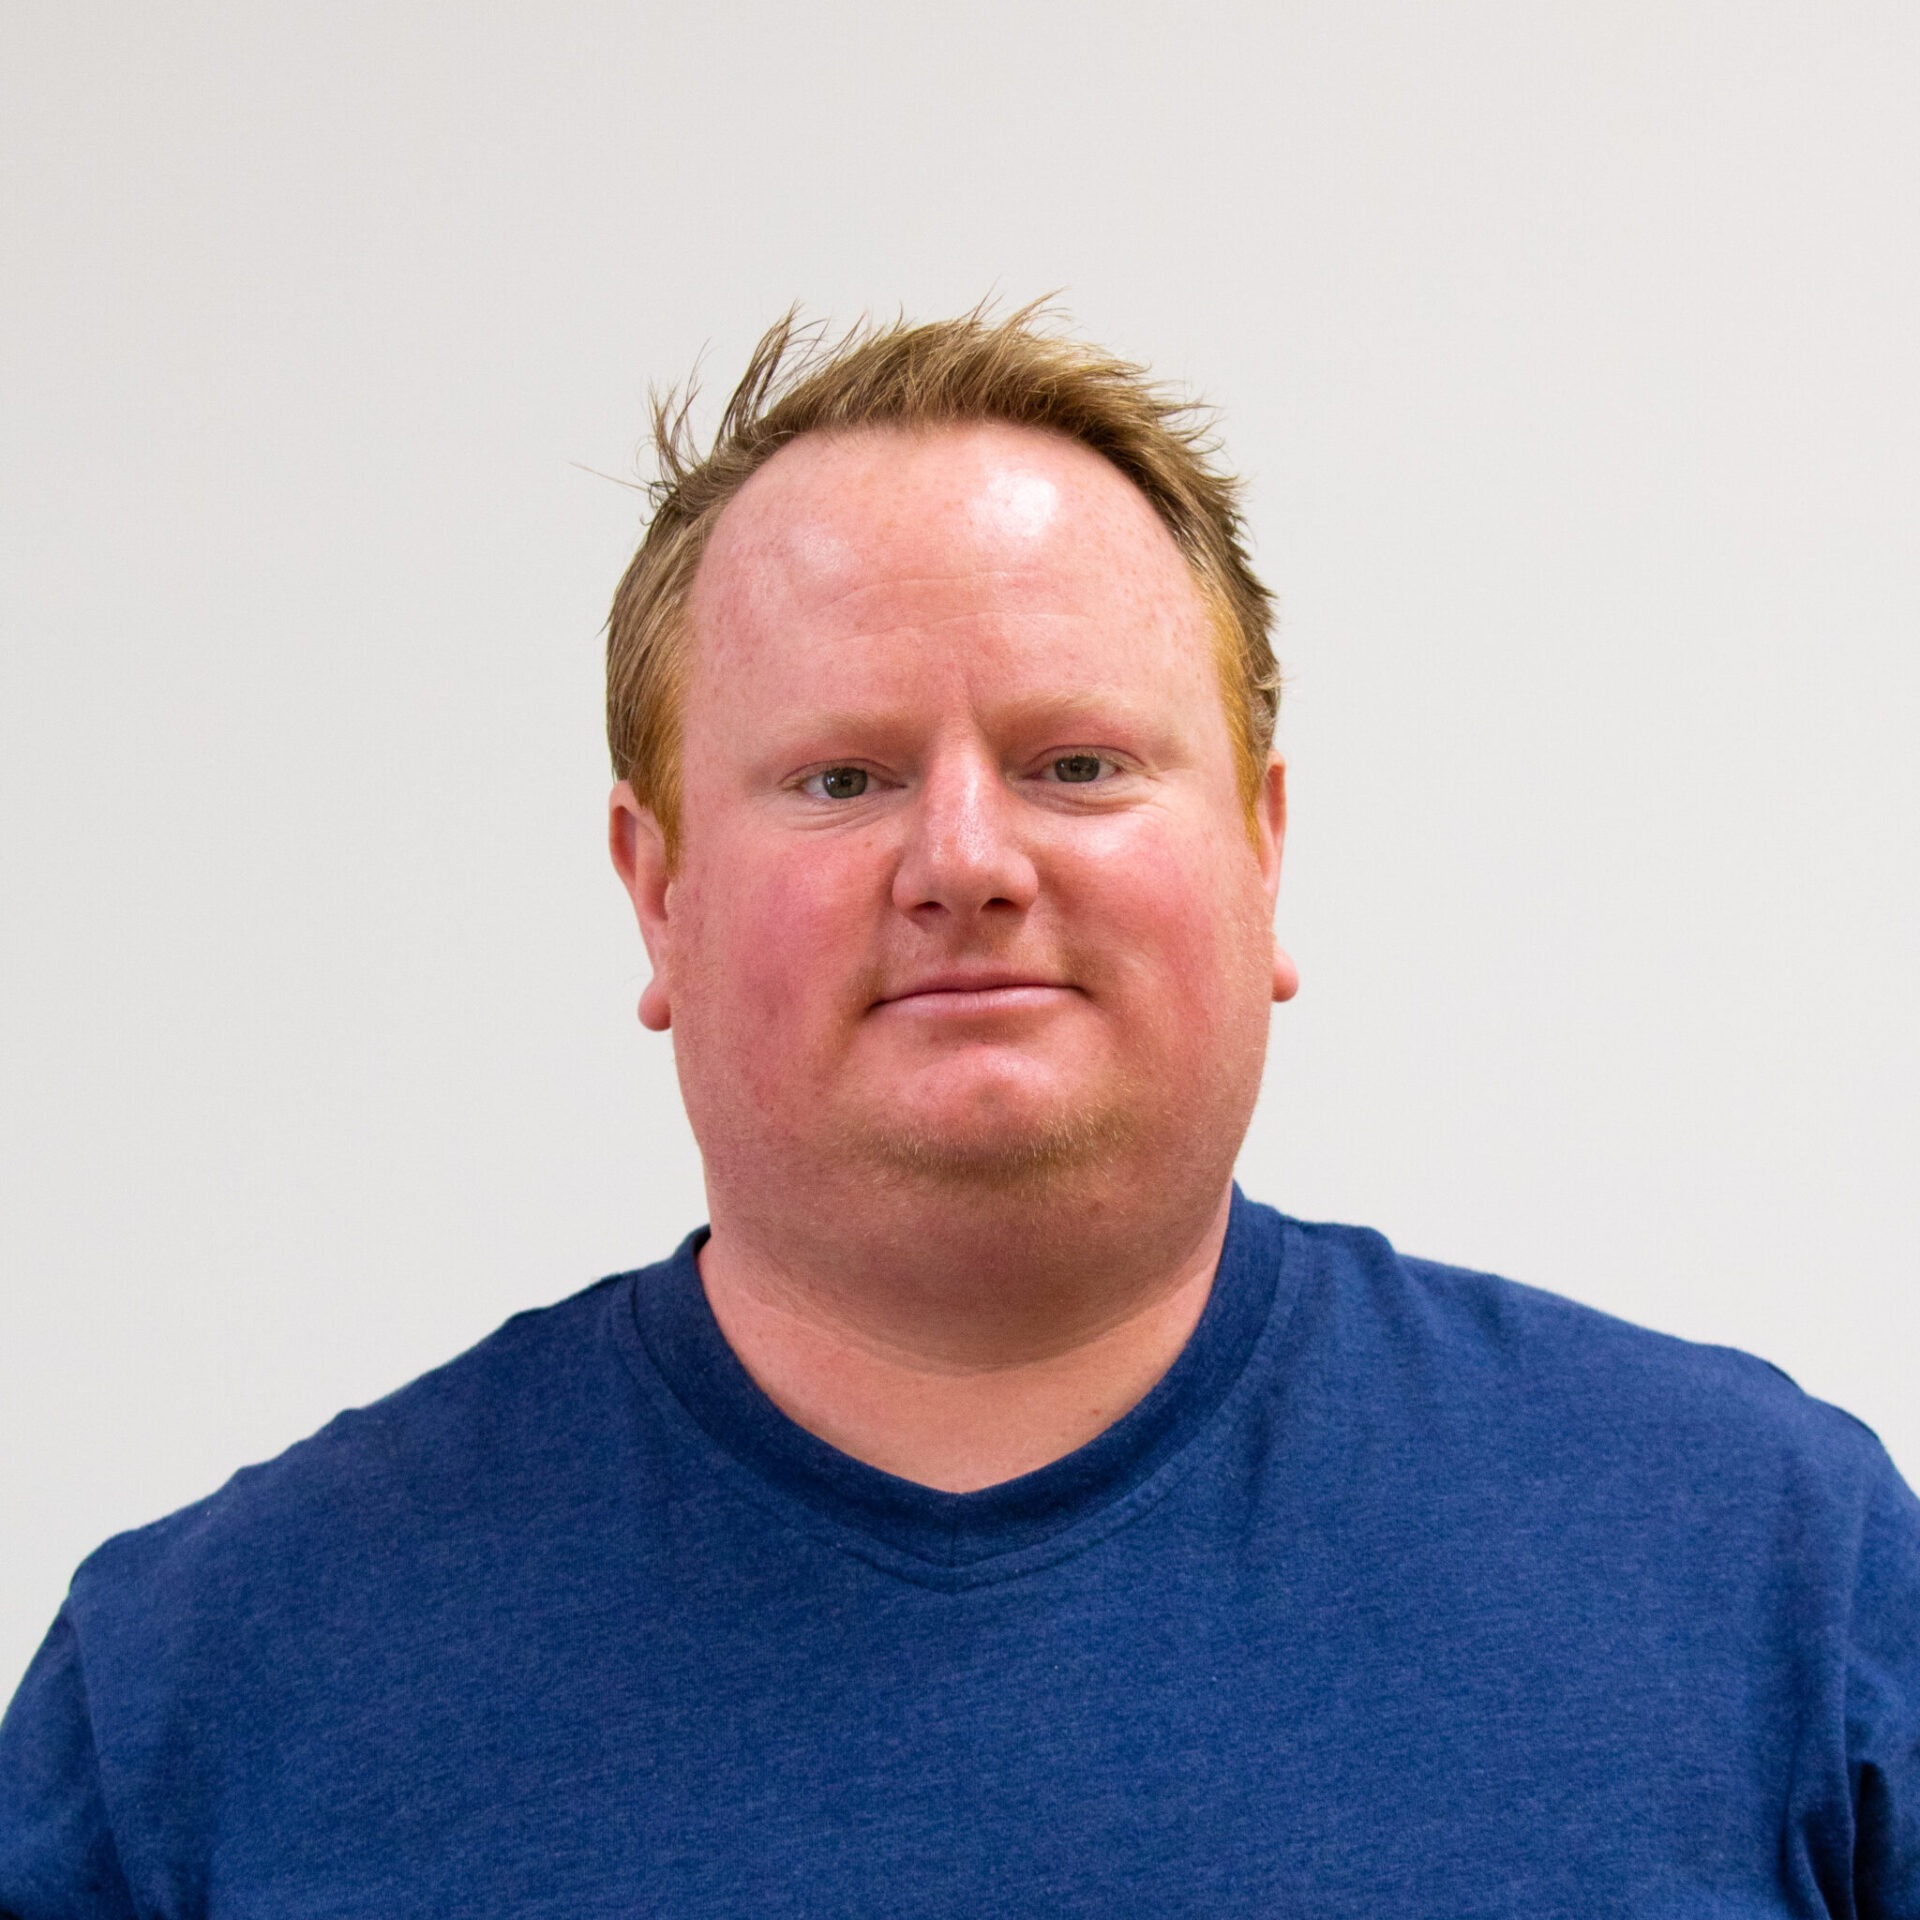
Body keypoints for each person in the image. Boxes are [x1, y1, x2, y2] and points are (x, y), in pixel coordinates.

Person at [2, 308, 1915, 1918]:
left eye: (1077, 762)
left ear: (1263, 848)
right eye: (839, 780)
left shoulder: (1772, 1573)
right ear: (653, 891)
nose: (966, 860)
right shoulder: (197, 1694)